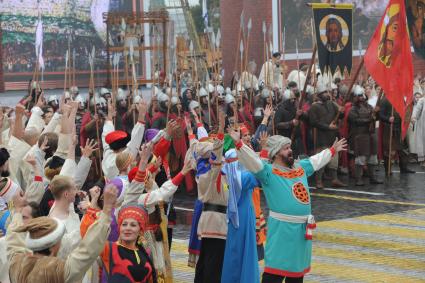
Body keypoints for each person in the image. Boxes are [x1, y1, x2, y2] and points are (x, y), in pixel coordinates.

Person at [227, 127, 347, 283]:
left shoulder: (300, 167)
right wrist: (238, 143)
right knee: (273, 274)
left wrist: (332, 150)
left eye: (289, 147)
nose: (290, 150)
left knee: (296, 275)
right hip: (282, 231)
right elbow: (253, 162)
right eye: (285, 148)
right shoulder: (268, 172)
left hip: (301, 232)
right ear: (276, 152)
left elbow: (316, 160)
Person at [6, 184, 117, 283]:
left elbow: (14, 241)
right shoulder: (60, 272)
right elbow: (88, 250)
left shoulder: (17, 264)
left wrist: (18, 210)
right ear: (55, 246)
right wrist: (107, 209)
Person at [220, 149, 260, 283]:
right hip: (244, 216)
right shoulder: (244, 178)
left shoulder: (225, 177)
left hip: (230, 219)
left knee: (232, 252)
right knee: (246, 251)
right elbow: (261, 173)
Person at [309, 84, 346, 188]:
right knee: (321, 160)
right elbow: (313, 122)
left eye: (327, 92)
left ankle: (334, 179)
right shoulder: (314, 106)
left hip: (332, 136)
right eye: (324, 93)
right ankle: (319, 181)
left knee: (334, 160)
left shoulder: (331, 103)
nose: (326, 94)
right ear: (319, 95)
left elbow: (340, 115)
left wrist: (341, 111)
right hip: (321, 137)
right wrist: (328, 127)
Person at [347, 86, 383, 186]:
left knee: (373, 157)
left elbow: (376, 119)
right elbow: (356, 121)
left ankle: (372, 178)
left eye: (362, 96)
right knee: (360, 158)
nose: (361, 98)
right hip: (360, 136)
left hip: (370, 134)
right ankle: (358, 179)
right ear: (355, 97)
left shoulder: (370, 107)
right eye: (359, 96)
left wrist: (377, 112)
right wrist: (369, 119)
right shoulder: (353, 110)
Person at [379, 97, 415, 175]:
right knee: (389, 151)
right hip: (389, 128)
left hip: (399, 128)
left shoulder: (400, 100)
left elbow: (405, 112)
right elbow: (380, 114)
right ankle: (388, 170)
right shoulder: (385, 100)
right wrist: (388, 118)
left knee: (403, 150)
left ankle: (404, 168)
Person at [411, 93, 425, 166]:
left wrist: (414, 117)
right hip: (422, 124)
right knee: (422, 142)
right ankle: (423, 160)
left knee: (422, 141)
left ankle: (423, 160)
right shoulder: (422, 100)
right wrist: (414, 117)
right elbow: (417, 111)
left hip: (422, 124)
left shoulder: (422, 100)